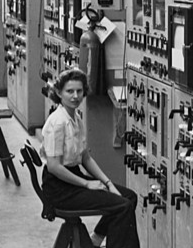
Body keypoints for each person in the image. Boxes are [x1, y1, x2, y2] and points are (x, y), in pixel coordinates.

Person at [40, 68, 139, 248]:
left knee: (129, 197)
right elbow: (54, 167)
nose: (75, 96)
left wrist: (107, 183)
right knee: (122, 207)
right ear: (59, 93)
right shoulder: (57, 122)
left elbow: (86, 158)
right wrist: (87, 184)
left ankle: (97, 237)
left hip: (72, 178)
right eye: (69, 91)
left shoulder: (75, 117)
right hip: (60, 188)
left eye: (79, 91)